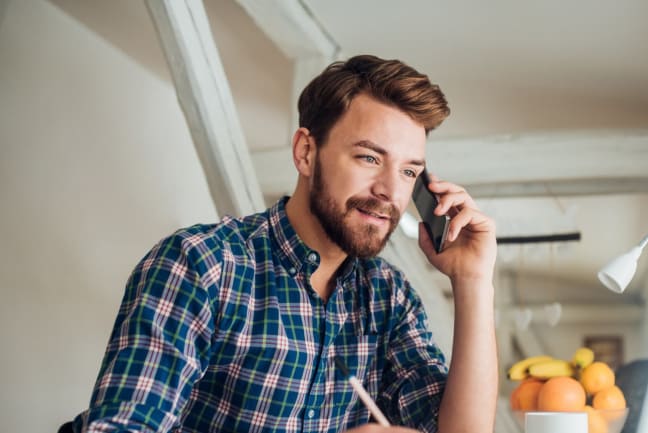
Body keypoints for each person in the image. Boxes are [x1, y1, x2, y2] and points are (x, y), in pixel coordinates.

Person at [72, 55, 498, 433]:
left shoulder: (390, 299)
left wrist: (473, 280)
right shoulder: (202, 265)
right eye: (369, 158)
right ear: (306, 152)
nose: (390, 190)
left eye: (408, 172)